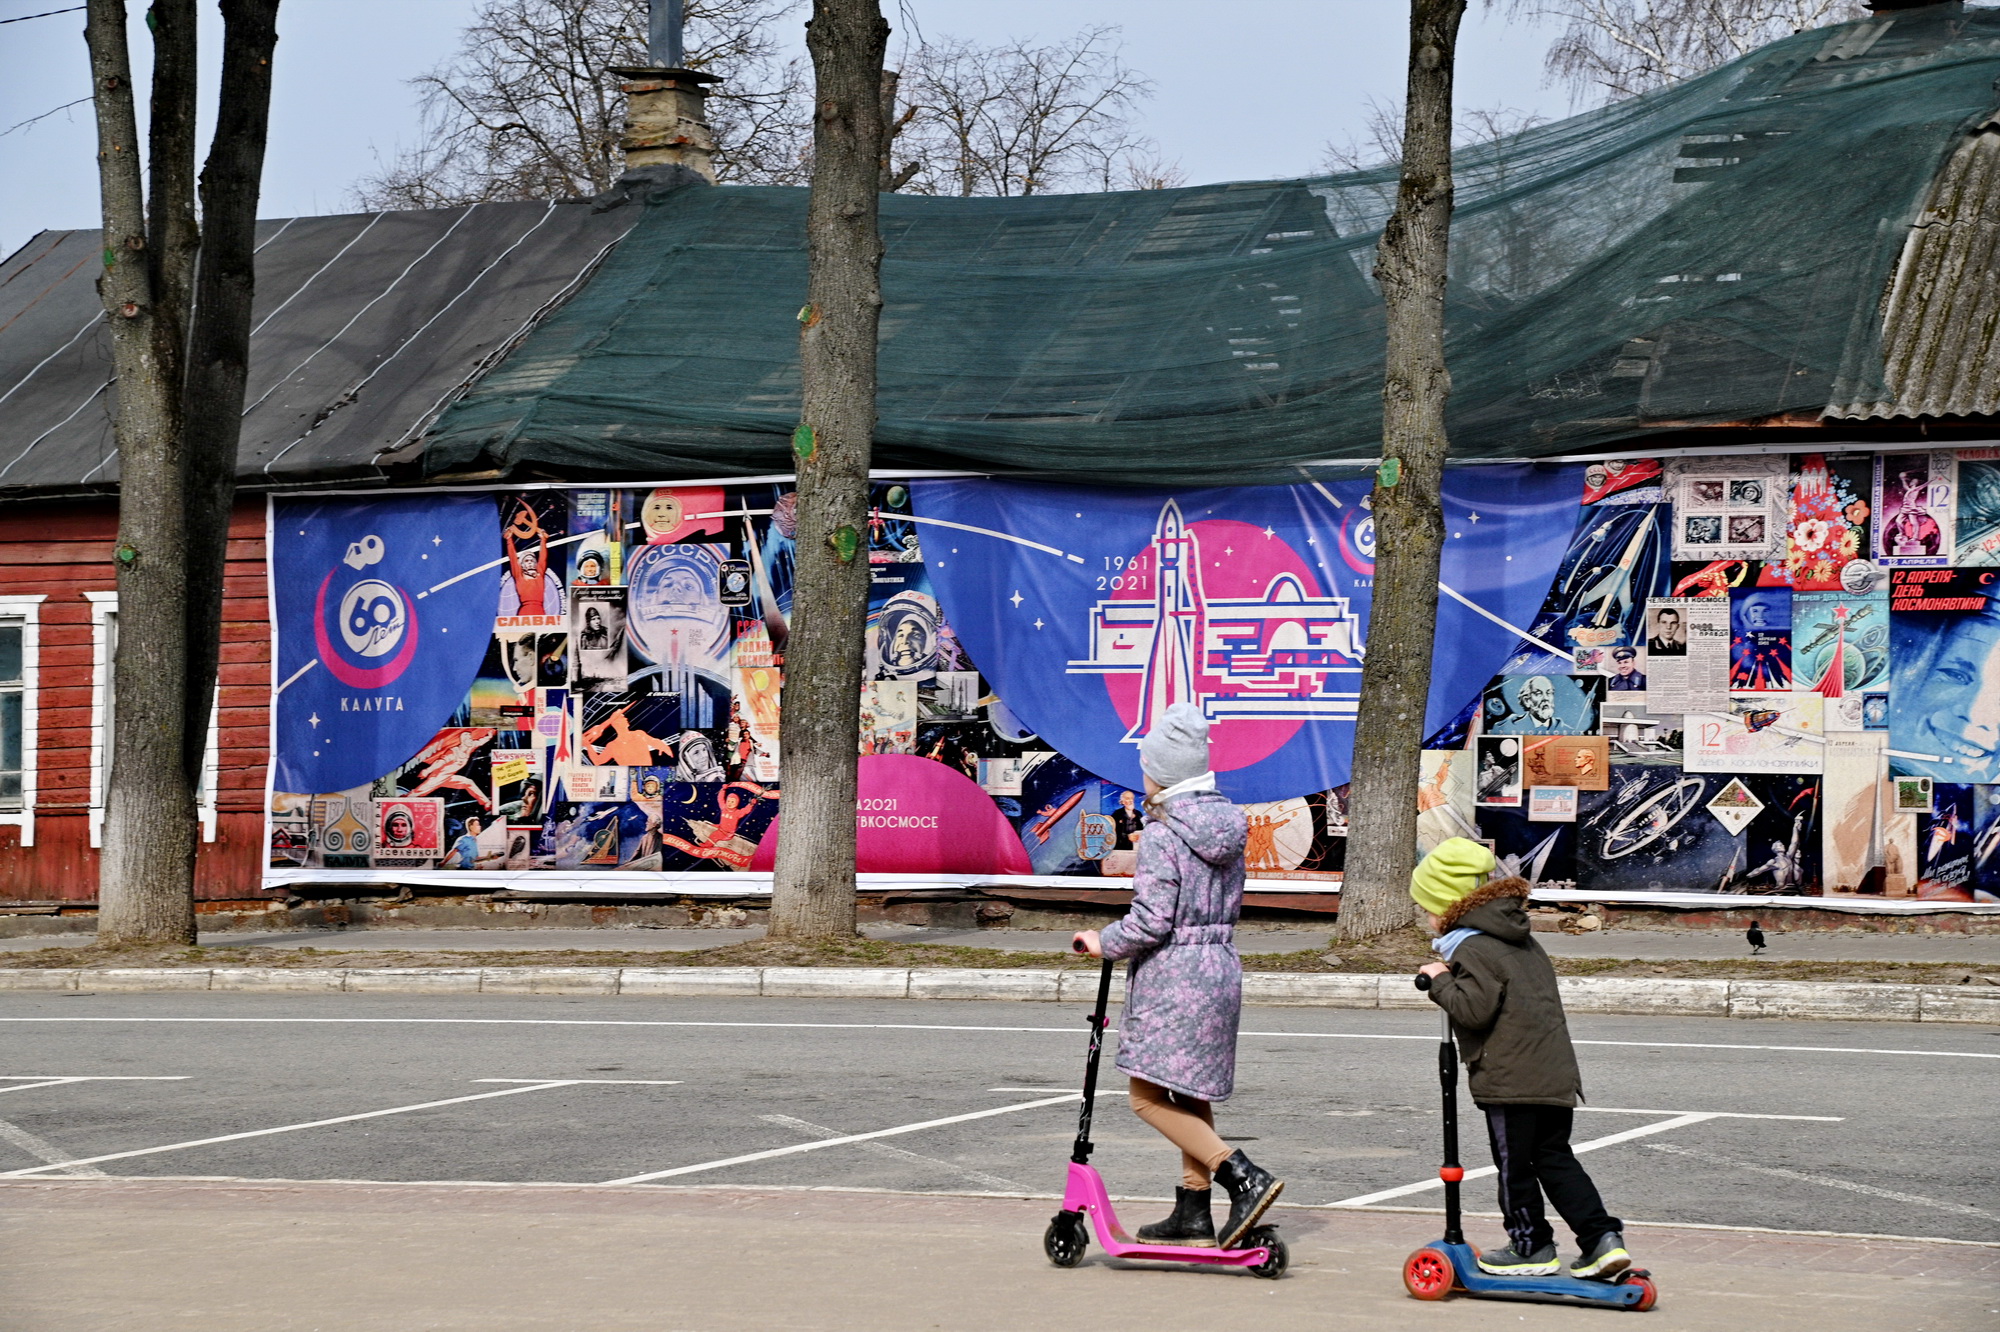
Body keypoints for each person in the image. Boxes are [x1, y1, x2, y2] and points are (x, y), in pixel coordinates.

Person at [1071, 703, 1283, 1251]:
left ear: (1161, 772)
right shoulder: (1226, 827)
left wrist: (1102, 942)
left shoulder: (1165, 835)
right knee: (1189, 1092)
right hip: (1218, 965)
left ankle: (1240, 1173)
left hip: (1175, 974)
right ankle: (1193, 1209)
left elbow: (1151, 920)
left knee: (1144, 1097)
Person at [1412, 838, 1633, 1282]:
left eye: (1427, 908)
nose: (1426, 918)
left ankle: (1530, 1245)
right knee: (1554, 1158)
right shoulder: (1518, 937)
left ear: (1447, 905)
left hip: (1511, 1078)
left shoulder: (1472, 947)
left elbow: (1474, 1010)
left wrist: (1438, 980)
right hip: (1553, 1072)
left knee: (1515, 1167)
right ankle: (1601, 1239)